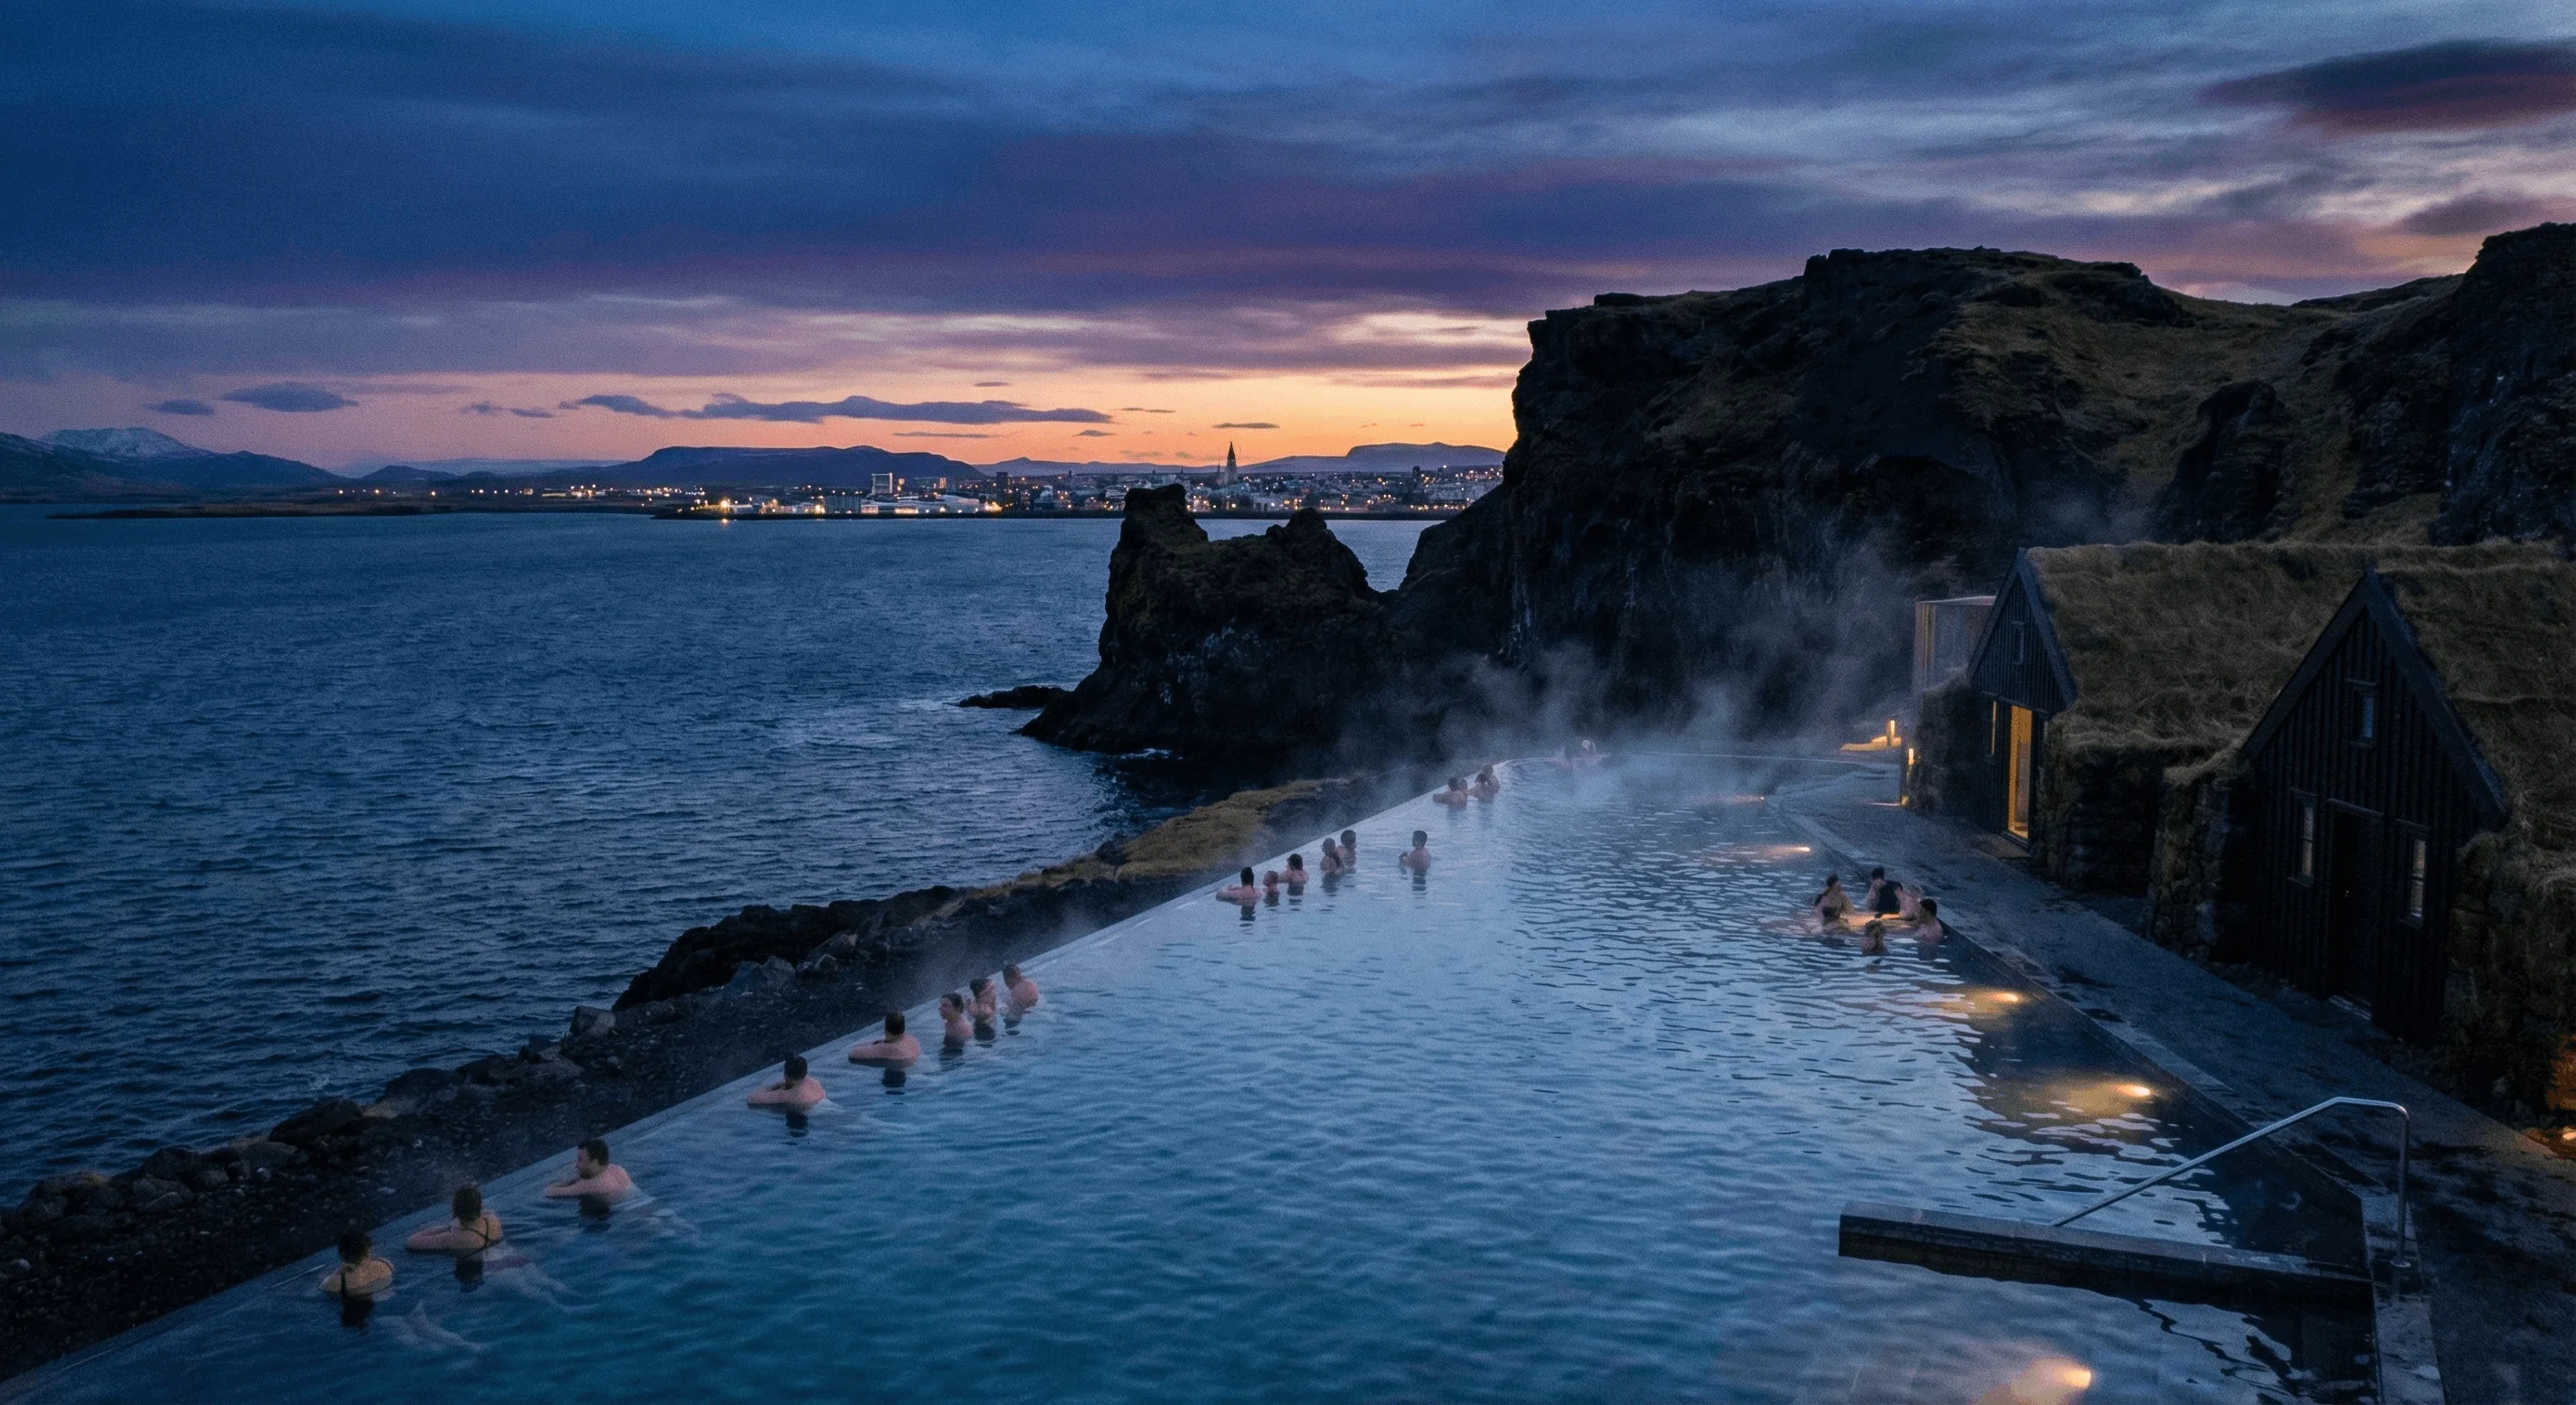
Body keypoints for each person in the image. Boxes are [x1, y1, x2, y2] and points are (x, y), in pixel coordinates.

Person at [405, 1185, 502, 1254]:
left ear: (455, 1210)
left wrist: (445, 1228)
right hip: (506, 1257)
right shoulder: (492, 1220)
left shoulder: (454, 1238)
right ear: (479, 1206)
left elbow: (411, 1242)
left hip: (481, 1267)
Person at [543, 1137, 635, 1199]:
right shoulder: (617, 1169)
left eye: (581, 1160)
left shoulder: (592, 1185)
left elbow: (548, 1192)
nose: (576, 1165)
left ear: (594, 1162)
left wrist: (567, 1178)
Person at [322, 1229, 394, 1296]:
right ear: (368, 1249)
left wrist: (339, 1270)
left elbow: (323, 1287)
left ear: (342, 1254)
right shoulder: (385, 1264)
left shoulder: (337, 1282)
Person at [746, 1054, 823, 1110]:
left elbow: (752, 1098)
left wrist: (776, 1084)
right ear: (805, 1072)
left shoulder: (790, 1094)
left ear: (786, 1076)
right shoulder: (814, 1083)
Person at [848, 1012, 922, 1065]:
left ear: (886, 1029)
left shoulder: (886, 1048)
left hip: (896, 1069)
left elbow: (853, 1053)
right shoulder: (912, 1040)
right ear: (903, 1028)